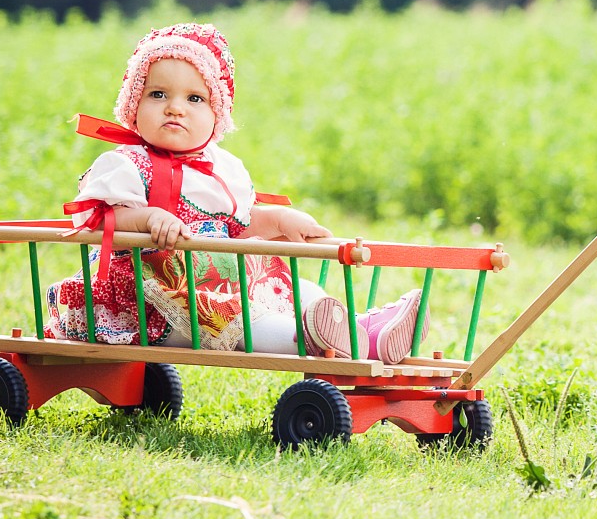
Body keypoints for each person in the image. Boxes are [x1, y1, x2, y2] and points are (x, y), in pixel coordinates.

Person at [45, 22, 423, 362]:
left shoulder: (220, 168)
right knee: (241, 320)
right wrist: (146, 217)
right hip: (155, 296)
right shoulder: (125, 163)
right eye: (158, 94)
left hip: (217, 278)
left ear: (216, 114)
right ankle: (312, 338)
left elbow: (234, 228)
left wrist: (278, 219)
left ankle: (362, 331)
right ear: (133, 103)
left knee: (293, 288)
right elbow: (95, 218)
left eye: (195, 99)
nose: (175, 108)